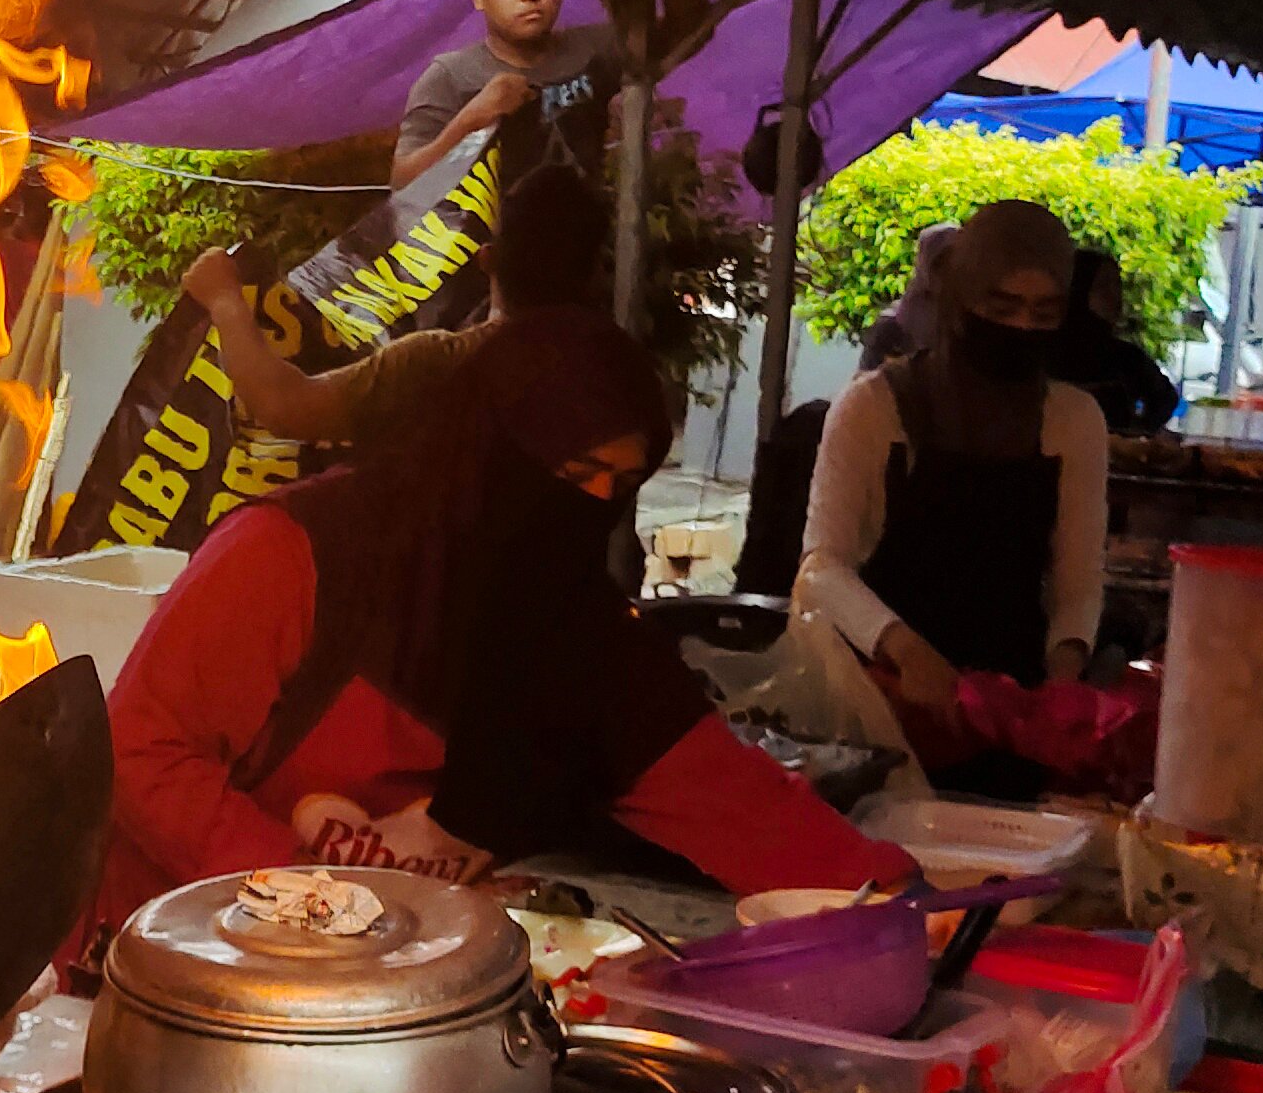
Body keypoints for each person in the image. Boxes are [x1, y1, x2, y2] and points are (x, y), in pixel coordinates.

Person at [89, 309, 903, 930]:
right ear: (487, 444)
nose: (587, 507)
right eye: (571, 469)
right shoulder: (293, 552)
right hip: (170, 953)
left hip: (383, 996)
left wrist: (895, 896)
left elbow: (728, 796)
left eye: (618, 485)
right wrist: (314, 902)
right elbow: (139, 751)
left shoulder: (575, 626)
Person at [793, 199, 1109, 760]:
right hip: (876, 707)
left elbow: (1078, 578)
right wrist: (905, 649)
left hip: (1005, 713)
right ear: (959, 300)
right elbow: (822, 567)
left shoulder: (1074, 419)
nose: (1020, 328)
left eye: (1043, 314)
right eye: (1003, 306)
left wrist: (1061, 677)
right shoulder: (873, 407)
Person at [176, 163, 612, 452]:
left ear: (487, 258)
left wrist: (224, 301)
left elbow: (287, 408)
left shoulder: (443, 366)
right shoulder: (607, 372)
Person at [383, 0, 617, 202]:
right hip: (494, 245)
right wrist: (468, 122)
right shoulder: (451, 76)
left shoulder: (597, 48)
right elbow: (403, 184)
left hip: (594, 237)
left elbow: (684, 26)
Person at [1048, 246, 1179, 431]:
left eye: (1117, 285)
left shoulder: (1126, 357)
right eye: (1103, 286)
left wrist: (1139, 431)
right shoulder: (1045, 350)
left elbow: (1165, 398)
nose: (1114, 295)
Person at [859, 221, 959, 373]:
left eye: (958, 262)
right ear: (926, 265)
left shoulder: (972, 320)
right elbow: (867, 382)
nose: (949, 271)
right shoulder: (893, 327)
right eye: (940, 263)